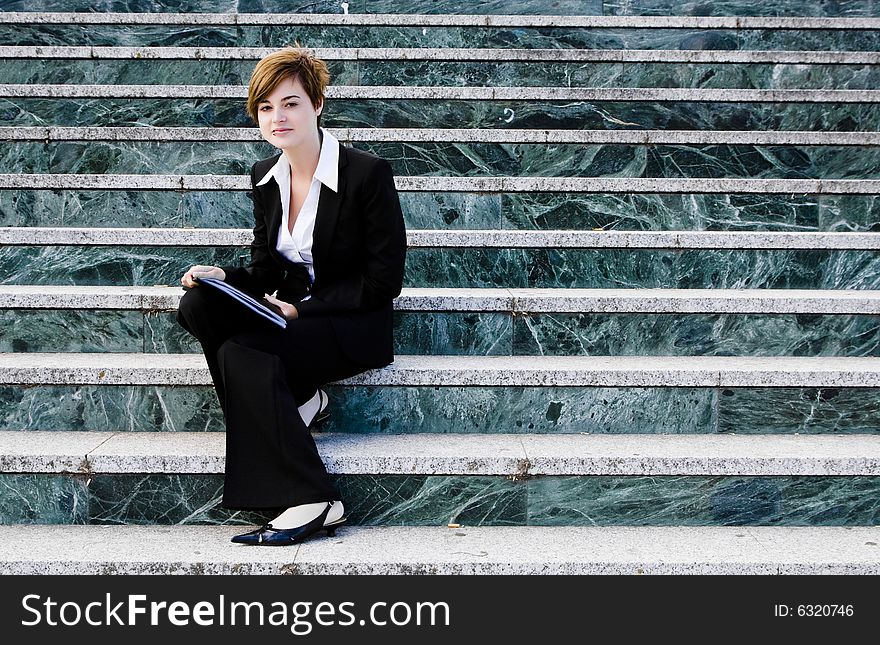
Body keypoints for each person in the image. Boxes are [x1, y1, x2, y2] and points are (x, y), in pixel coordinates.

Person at [176, 46, 407, 546]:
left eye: (290, 103)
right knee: (198, 304)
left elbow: (384, 280)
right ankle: (300, 397)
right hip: (291, 314)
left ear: (318, 104)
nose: (277, 118)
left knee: (242, 352)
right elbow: (266, 268)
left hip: (349, 321)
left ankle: (313, 498)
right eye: (265, 107)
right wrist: (222, 275)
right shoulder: (265, 175)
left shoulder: (367, 174)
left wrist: (302, 308)